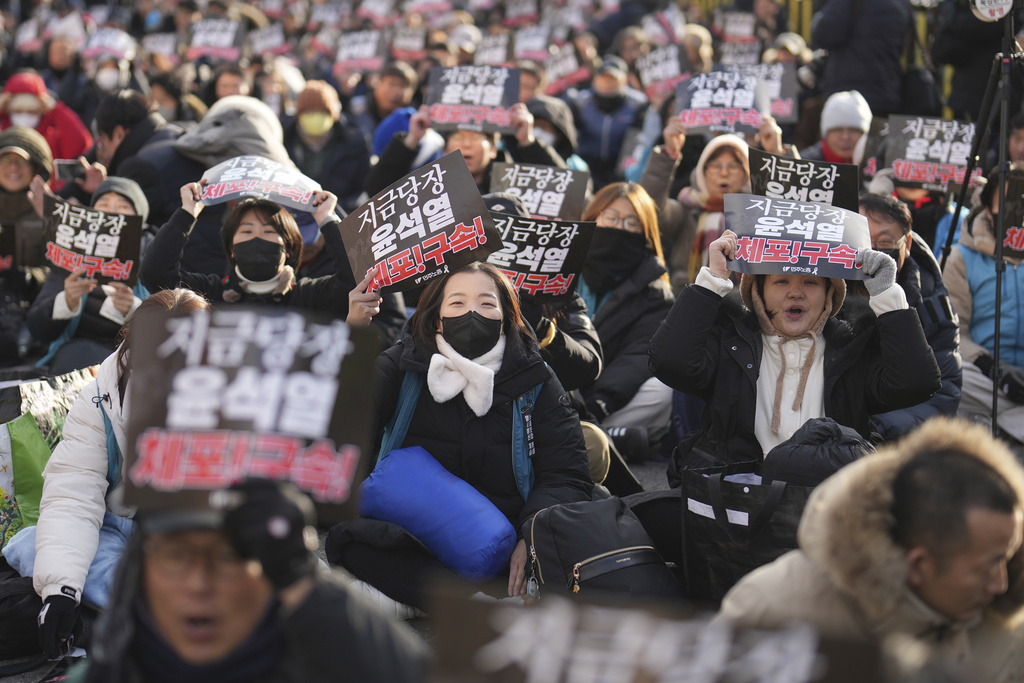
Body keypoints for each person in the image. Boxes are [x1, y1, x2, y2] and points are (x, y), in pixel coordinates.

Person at [330, 262, 593, 611]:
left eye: (486, 303)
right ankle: (469, 605)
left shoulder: (535, 377)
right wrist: (352, 335)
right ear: (436, 317)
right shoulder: (403, 364)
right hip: (413, 531)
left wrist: (531, 537)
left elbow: (567, 472)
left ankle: (416, 599)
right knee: (349, 541)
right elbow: (341, 419)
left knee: (556, 552)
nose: (472, 312)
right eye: (457, 303)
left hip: (506, 539)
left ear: (506, 317)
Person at [717, 417, 1024, 681]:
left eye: (1008, 556)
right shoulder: (774, 609)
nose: (1001, 584)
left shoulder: (1008, 626)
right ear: (918, 566)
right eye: (989, 566)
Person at [1, 289, 209, 660]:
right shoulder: (99, 397)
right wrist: (61, 591)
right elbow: (73, 494)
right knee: (32, 543)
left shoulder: (235, 401)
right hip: (117, 533)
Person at [649, 229, 942, 485]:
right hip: (734, 499)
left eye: (811, 283)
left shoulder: (852, 346)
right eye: (781, 282)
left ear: (830, 293)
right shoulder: (731, 338)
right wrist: (712, 280)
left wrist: (887, 295)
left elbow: (915, 382)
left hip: (827, 501)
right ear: (758, 292)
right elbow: (670, 362)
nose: (795, 293)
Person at [70, 478, 428, 682]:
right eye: (177, 556)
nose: (198, 583)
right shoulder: (100, 674)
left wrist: (305, 583)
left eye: (230, 556)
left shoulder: (320, 664)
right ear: (140, 572)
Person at [140, 182, 405, 341]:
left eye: (269, 233)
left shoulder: (311, 294)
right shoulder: (211, 294)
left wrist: (328, 220)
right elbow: (155, 274)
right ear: (231, 249)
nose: (257, 239)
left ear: (288, 247)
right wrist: (187, 212)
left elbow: (358, 278)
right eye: (246, 232)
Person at [852, 193, 961, 441]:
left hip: (888, 437)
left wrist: (874, 429)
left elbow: (943, 392)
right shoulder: (821, 288)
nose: (873, 252)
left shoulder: (931, 300)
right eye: (863, 241)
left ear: (907, 244)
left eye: (885, 241)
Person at [577, 182, 674, 439]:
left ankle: (590, 434)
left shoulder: (654, 291)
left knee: (662, 391)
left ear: (645, 232)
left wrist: (600, 402)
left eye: (631, 222)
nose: (620, 228)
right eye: (611, 217)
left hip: (606, 394)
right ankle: (608, 440)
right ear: (592, 217)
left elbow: (637, 356)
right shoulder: (562, 267)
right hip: (557, 384)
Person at [27, 177, 150, 374]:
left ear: (140, 218)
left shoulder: (153, 259)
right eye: (103, 205)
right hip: (76, 360)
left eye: (123, 206)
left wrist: (134, 310)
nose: (112, 211)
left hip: (134, 363)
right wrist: (66, 301)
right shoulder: (71, 258)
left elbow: (170, 328)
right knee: (76, 355)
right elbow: (36, 327)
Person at [943, 170, 1024, 443]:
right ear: (989, 210)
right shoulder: (962, 257)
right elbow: (954, 332)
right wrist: (992, 367)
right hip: (985, 378)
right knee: (948, 378)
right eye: (1009, 203)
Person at [366, 102, 565, 197]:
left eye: (477, 137)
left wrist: (528, 141)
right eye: (459, 137)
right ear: (445, 149)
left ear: (493, 149)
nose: (466, 144)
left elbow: (564, 192)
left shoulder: (513, 186)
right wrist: (412, 139)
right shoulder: (428, 186)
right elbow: (376, 190)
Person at [0, 125, 52, 364]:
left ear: (36, 168)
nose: (13, 168)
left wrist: (32, 278)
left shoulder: (51, 214)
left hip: (34, 316)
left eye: (21, 161)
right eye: (6, 160)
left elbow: (67, 268)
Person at [283, 81, 370, 215]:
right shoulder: (283, 140)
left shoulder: (355, 142)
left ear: (334, 114)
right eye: (309, 111)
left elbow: (362, 191)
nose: (316, 117)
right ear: (299, 114)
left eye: (323, 111)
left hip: (341, 218)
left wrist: (334, 213)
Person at [810, 0, 910, 117]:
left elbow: (824, 33)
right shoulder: (901, 3)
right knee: (878, 132)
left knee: (846, 134)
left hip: (848, 96)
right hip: (887, 92)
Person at [568, 55, 648, 189]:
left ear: (625, 79)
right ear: (595, 78)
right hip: (585, 167)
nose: (607, 82)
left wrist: (623, 174)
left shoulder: (638, 104)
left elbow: (636, 140)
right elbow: (573, 136)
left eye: (613, 78)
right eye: (603, 77)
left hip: (620, 168)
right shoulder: (579, 102)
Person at [0, 71, 92, 164]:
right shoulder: (2, 136)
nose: (25, 116)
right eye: (18, 111)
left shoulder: (52, 138)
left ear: (42, 112)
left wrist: (56, 110)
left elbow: (80, 143)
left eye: (32, 111)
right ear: (7, 112)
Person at [798, 90, 871, 164]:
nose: (845, 137)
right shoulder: (803, 165)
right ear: (826, 134)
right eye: (838, 130)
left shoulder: (876, 165)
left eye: (853, 130)